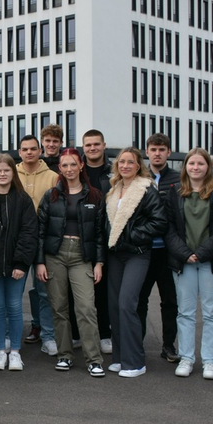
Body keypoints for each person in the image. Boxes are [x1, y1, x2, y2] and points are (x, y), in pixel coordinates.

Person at [164, 148, 213, 380]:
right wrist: (185, 254)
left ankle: (210, 361)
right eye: (191, 164)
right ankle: (186, 358)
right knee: (185, 312)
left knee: (212, 312)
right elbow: (169, 229)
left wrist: (202, 253)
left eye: (200, 164)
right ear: (185, 167)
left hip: (209, 261)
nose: (195, 168)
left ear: (209, 166)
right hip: (183, 261)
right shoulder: (175, 193)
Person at [36, 148, 106, 377]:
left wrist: (99, 263)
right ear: (59, 168)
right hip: (55, 255)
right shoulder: (51, 195)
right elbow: (40, 231)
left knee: (86, 308)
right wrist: (40, 262)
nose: (69, 169)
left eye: (73, 164)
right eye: (64, 165)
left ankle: (94, 359)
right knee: (59, 308)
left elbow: (99, 233)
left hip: (81, 256)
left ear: (81, 165)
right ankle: (64, 355)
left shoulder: (94, 195)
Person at [104, 147, 166, 378]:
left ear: (138, 165)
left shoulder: (147, 189)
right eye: (122, 162)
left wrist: (131, 235)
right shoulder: (114, 189)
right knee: (114, 307)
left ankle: (135, 362)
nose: (125, 166)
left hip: (137, 254)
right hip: (115, 254)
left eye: (130, 162)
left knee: (127, 304)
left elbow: (159, 222)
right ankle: (120, 358)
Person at [0, 154, 37, 371]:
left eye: (7, 170)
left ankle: (14, 351)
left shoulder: (23, 199)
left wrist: (21, 263)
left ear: (13, 173)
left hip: (16, 266)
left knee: (14, 307)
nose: (3, 174)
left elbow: (29, 233)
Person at [137, 133, 181, 362]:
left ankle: (168, 345)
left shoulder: (177, 178)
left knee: (170, 300)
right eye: (153, 149)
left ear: (169, 152)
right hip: (143, 249)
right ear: (147, 152)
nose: (157, 153)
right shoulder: (138, 176)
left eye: (161, 149)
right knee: (139, 299)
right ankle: (138, 344)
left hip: (168, 251)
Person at [16, 134, 59, 355]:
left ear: (40, 151)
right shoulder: (11, 173)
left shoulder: (52, 176)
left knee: (44, 291)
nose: (29, 152)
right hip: (18, 242)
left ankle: (48, 336)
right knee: (15, 292)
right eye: (25, 149)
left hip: (44, 241)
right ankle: (11, 338)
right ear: (20, 151)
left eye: (33, 148)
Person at [81, 128, 113, 353]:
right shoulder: (77, 169)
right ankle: (76, 333)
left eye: (96, 144)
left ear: (103, 145)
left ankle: (104, 333)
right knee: (78, 289)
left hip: (108, 237)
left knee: (102, 289)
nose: (92, 148)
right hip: (80, 236)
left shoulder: (113, 172)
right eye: (88, 145)